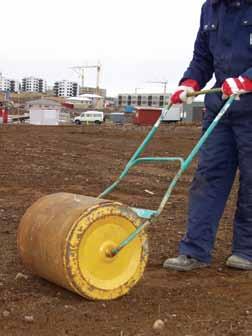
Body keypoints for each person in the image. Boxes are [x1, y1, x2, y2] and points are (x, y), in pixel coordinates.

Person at [163, 0, 252, 271]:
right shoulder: (210, 8)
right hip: (221, 109)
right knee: (208, 176)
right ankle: (195, 250)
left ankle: (247, 251)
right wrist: (188, 83)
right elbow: (202, 57)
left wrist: (247, 79)